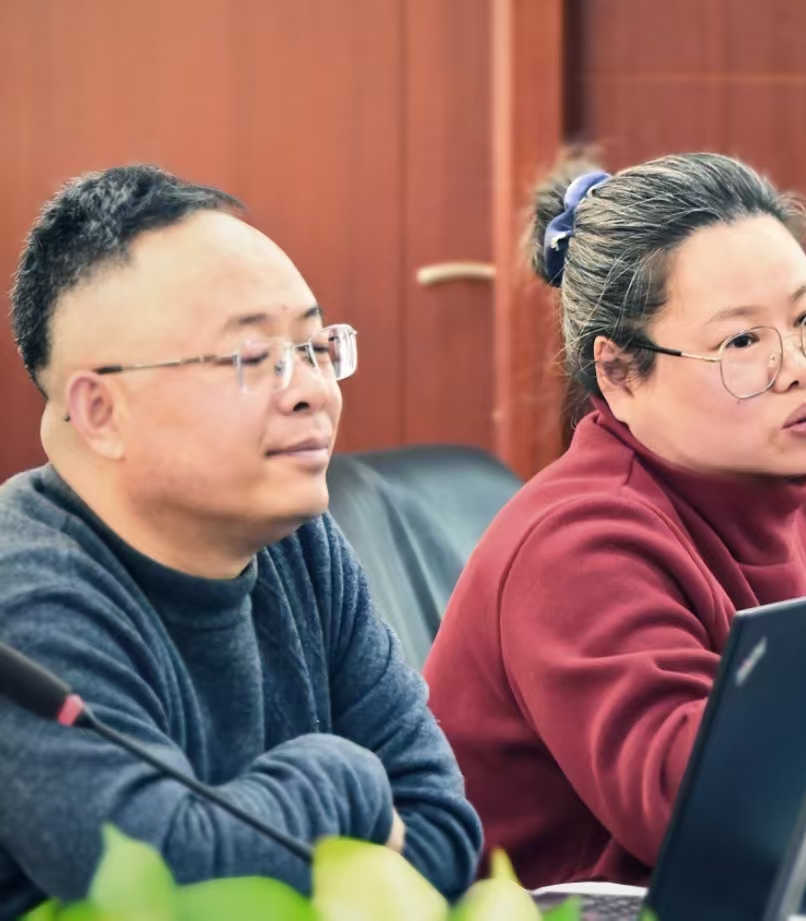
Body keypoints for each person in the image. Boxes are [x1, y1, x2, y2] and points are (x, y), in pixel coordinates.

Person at [425, 152, 806, 888]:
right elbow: (705, 812)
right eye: (741, 341)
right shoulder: (574, 544)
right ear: (619, 374)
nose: (799, 367)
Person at [0, 165, 481, 917]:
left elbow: (445, 837)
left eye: (316, 347)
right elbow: (150, 878)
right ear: (100, 412)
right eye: (251, 358)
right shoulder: (27, 594)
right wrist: (348, 780)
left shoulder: (300, 543)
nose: (313, 390)